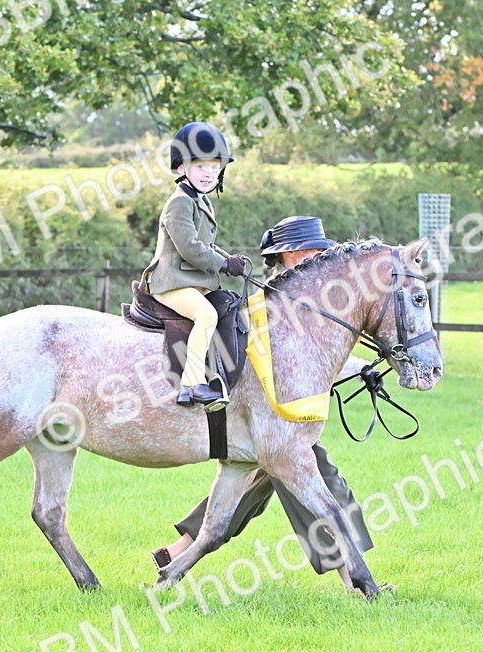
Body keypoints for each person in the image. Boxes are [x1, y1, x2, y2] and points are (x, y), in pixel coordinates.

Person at [151, 216, 376, 592]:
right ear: (289, 255)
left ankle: (181, 550)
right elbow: (285, 363)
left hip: (277, 420)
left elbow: (317, 360)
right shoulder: (270, 303)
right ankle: (354, 580)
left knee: (258, 483)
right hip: (269, 418)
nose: (320, 256)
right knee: (321, 482)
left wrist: (361, 367)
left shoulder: (302, 302)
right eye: (313, 250)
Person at [140, 122, 251, 408]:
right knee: (206, 315)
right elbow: (190, 249)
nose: (209, 174)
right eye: (201, 167)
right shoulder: (179, 203)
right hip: (170, 281)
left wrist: (230, 259)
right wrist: (224, 265)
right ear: (182, 168)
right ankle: (192, 384)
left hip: (190, 282)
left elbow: (207, 245)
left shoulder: (201, 201)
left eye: (215, 168)